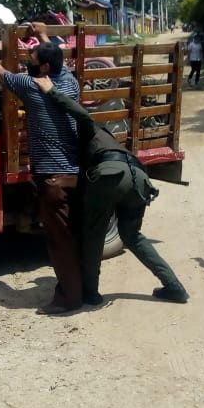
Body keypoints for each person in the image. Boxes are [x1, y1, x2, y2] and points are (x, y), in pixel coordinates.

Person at [32, 74, 188, 304]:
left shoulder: (88, 128)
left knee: (93, 236)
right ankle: (174, 287)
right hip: (139, 179)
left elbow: (81, 114)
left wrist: (51, 90)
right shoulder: (108, 138)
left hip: (110, 177)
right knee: (133, 237)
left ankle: (91, 293)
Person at [0, 29, 83, 315]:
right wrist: (43, 35)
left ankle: (69, 300)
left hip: (52, 180)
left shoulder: (31, 86)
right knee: (73, 238)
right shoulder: (69, 82)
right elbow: (54, 58)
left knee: (59, 242)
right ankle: (83, 290)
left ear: (43, 67)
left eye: (32, 57)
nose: (28, 60)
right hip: (73, 174)